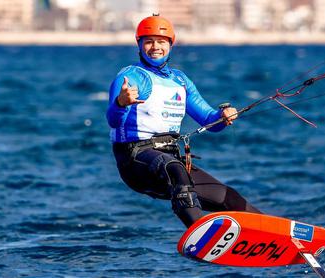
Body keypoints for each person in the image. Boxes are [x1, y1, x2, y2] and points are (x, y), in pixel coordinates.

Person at [106, 15, 261, 228]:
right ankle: (202, 235)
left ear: (171, 43)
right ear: (139, 44)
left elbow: (208, 119)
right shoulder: (130, 77)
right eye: (148, 41)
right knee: (175, 169)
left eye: (161, 41)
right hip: (135, 160)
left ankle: (279, 235)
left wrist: (223, 117)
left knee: (228, 198)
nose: (155, 47)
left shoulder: (179, 80)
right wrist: (121, 103)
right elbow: (113, 122)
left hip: (169, 158)